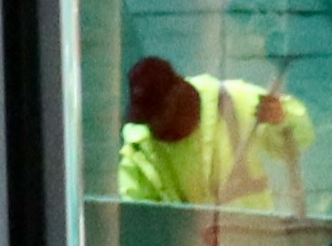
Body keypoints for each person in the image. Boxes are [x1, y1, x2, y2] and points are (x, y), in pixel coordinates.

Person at [118, 54, 309, 210]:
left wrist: (280, 119)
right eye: (147, 119)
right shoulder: (140, 145)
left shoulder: (232, 102)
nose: (155, 126)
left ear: (180, 95)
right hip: (182, 244)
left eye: (159, 115)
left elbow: (300, 141)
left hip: (250, 237)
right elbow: (135, 215)